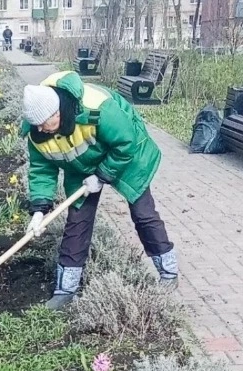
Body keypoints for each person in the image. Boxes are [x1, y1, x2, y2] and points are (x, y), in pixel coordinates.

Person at [20, 71, 179, 310]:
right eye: (37, 125)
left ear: (58, 112)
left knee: (143, 213)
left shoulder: (98, 108)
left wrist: (103, 175)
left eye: (45, 123)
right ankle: (66, 289)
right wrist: (39, 210)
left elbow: (126, 143)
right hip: (80, 164)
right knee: (77, 223)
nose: (41, 129)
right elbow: (42, 170)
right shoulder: (37, 131)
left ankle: (168, 272)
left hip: (125, 156)